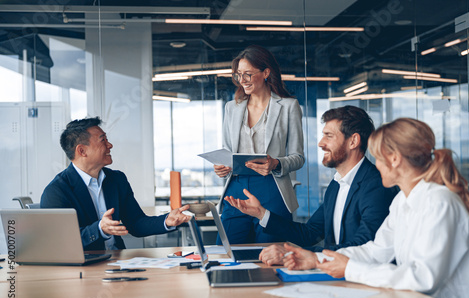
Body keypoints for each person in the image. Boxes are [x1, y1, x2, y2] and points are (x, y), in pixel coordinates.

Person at [283, 118, 469, 298]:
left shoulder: (439, 202)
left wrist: (350, 268)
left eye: (378, 158)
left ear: (394, 159)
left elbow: (423, 278)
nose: (376, 165)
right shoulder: (403, 200)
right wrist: (317, 259)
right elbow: (376, 250)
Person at [225, 106, 397, 265]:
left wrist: (293, 254)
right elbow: (310, 233)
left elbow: (363, 245)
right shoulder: (337, 184)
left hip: (360, 278)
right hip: (334, 273)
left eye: (329, 136)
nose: (321, 143)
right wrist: (261, 213)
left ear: (353, 141)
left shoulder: (376, 185)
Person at [40, 117, 191, 251]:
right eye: (103, 140)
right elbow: (60, 243)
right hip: (84, 268)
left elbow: (136, 223)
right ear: (82, 151)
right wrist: (99, 229)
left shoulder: (116, 179)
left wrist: (166, 221)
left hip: (118, 262)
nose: (110, 145)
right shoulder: (56, 191)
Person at [214, 45, 305, 244]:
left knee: (270, 254)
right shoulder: (232, 108)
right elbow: (227, 151)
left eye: (248, 74)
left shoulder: (289, 106)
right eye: (238, 74)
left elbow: (298, 157)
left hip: (272, 187)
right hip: (236, 187)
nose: (242, 80)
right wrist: (222, 166)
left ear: (266, 73)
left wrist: (276, 164)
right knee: (228, 252)